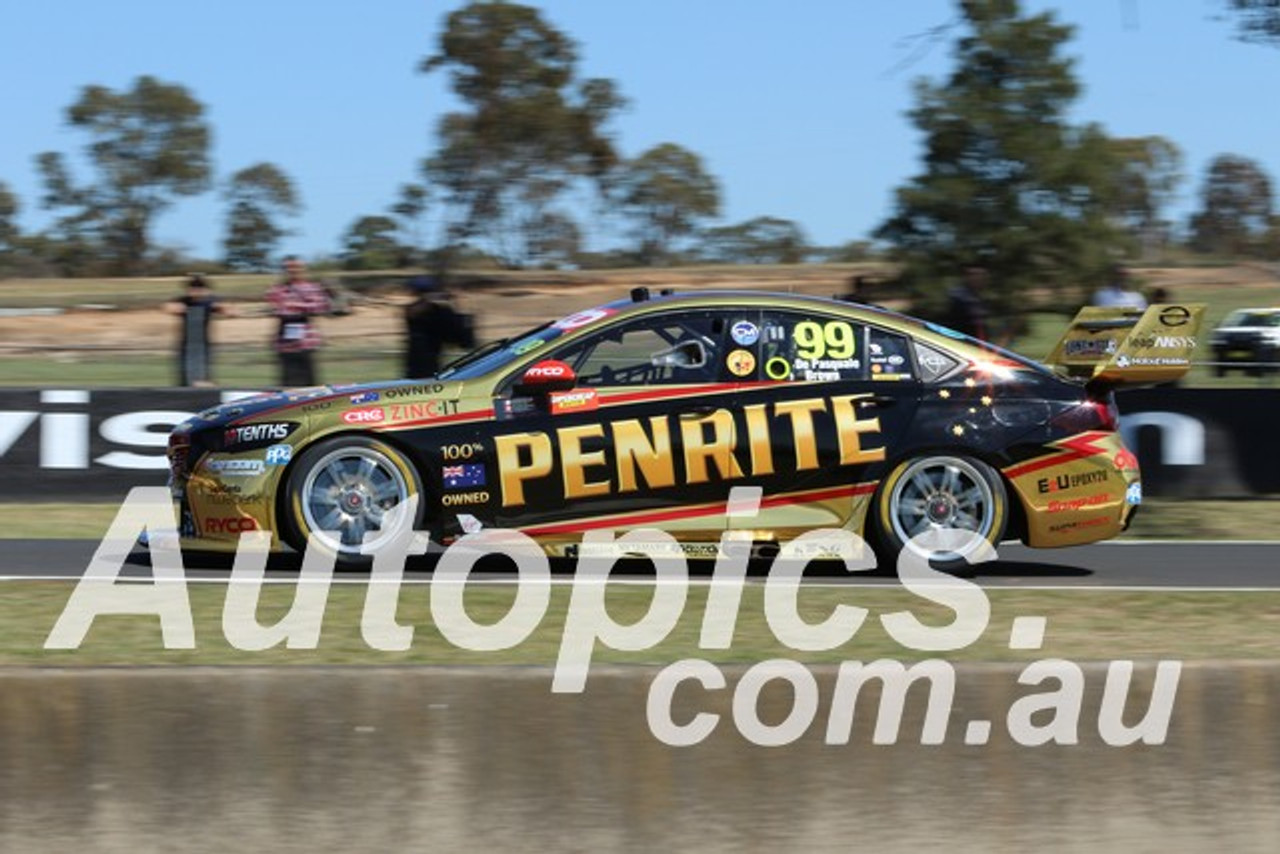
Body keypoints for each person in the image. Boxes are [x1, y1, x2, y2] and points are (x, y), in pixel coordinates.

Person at [266, 256, 332, 387]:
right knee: (287, 385)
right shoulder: (278, 289)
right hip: (285, 344)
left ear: (303, 269)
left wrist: (294, 306)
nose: (292, 270)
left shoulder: (312, 287)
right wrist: (293, 307)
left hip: (306, 343)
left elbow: (320, 306)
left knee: (310, 385)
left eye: (296, 267)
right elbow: (274, 306)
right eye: (288, 268)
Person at [403, 275, 475, 378]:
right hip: (416, 366)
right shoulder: (415, 310)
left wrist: (452, 304)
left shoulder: (441, 311)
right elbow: (412, 312)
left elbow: (459, 338)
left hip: (432, 366)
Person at [166, 274, 226, 386]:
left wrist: (220, 307)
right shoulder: (183, 301)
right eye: (192, 287)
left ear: (205, 289)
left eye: (199, 287)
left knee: (202, 378)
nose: (195, 290)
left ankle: (213, 395)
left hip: (203, 346)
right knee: (184, 380)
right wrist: (176, 308)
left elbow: (229, 310)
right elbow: (168, 307)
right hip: (185, 347)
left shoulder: (210, 301)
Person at [945, 264, 990, 340]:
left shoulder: (978, 297)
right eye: (975, 275)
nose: (979, 278)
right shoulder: (959, 296)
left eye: (982, 275)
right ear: (966, 277)